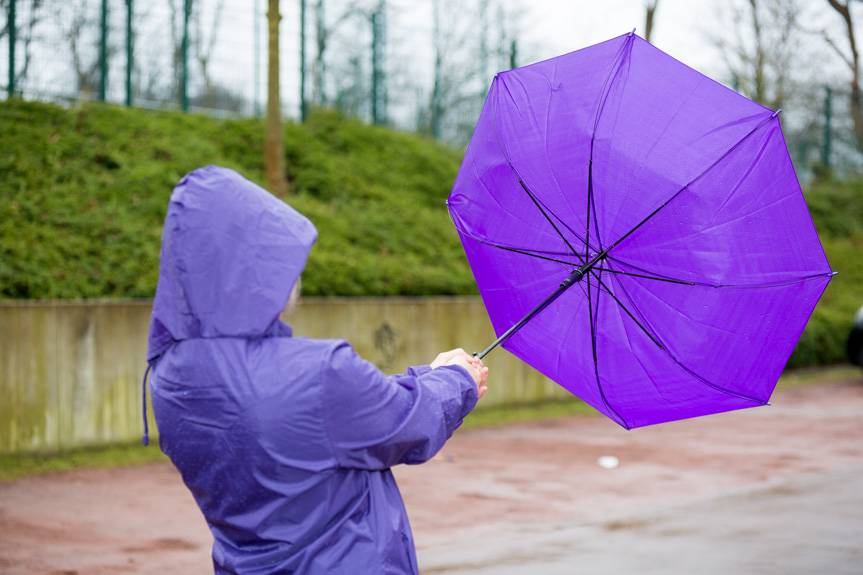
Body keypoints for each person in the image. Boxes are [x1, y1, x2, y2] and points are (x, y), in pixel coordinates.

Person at [144, 165, 488, 574]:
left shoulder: (169, 377)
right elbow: (406, 422)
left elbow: (332, 416)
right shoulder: (320, 372)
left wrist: (427, 378)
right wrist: (456, 380)